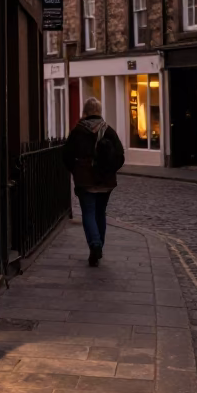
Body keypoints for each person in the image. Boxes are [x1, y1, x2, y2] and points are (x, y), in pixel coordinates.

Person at [61, 97, 125, 266]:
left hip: (85, 181)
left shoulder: (78, 131)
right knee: (100, 213)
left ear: (86, 111)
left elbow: (66, 155)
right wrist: (109, 170)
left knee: (88, 213)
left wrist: (76, 171)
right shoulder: (108, 130)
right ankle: (98, 247)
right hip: (106, 181)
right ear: (99, 111)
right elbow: (120, 155)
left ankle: (95, 245)